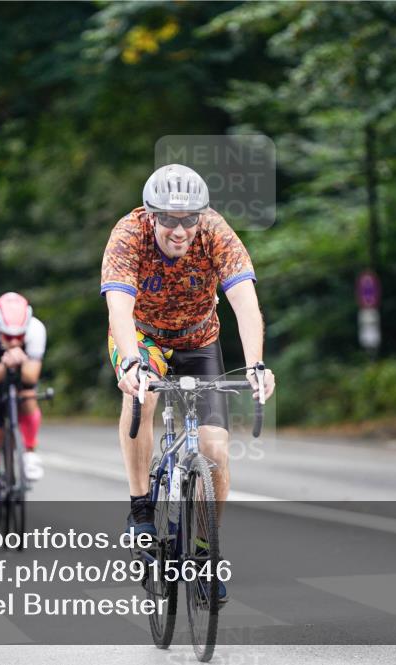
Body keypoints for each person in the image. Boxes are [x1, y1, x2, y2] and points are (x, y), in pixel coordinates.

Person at [100, 163, 276, 600]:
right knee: (141, 397)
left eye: (189, 219)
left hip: (199, 338)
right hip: (145, 336)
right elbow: (119, 310)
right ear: (151, 214)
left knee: (215, 449)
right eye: (169, 220)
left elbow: (246, 306)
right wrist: (129, 366)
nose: (180, 230)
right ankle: (141, 508)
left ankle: (204, 551)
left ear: (202, 214)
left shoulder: (216, 232)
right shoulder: (128, 234)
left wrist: (255, 365)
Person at [0, 292, 47, 525]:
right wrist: (5, 362)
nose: (14, 341)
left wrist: (19, 361)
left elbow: (31, 376)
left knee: (28, 396)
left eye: (19, 336)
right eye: (8, 336)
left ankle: (30, 453)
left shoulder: (36, 330)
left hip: (20, 374)